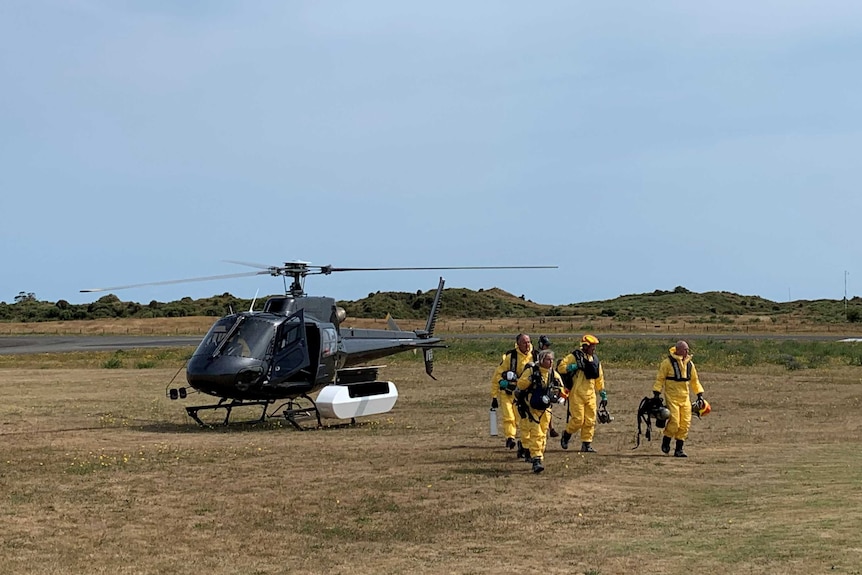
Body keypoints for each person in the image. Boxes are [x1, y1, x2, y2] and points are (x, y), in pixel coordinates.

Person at [652, 340, 705, 458]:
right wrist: (656, 392)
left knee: (685, 423)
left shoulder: (690, 364)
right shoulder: (667, 363)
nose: (687, 352)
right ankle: (666, 441)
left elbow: (695, 381)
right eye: (684, 350)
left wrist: (699, 394)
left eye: (688, 350)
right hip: (672, 397)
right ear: (678, 350)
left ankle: (679, 449)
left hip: (685, 397)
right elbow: (660, 378)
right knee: (674, 422)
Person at [515, 349, 564, 473]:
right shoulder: (531, 371)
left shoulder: (553, 374)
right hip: (531, 408)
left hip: (545, 409)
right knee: (536, 433)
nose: (551, 362)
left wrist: (560, 397)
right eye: (548, 359)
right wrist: (530, 379)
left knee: (543, 433)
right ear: (541, 360)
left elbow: (562, 389)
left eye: (552, 359)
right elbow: (520, 385)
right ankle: (536, 459)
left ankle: (537, 454)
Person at [556, 334, 607, 453]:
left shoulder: (595, 360)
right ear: (585, 346)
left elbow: (599, 378)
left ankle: (586, 444)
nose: (594, 349)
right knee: (578, 420)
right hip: (576, 394)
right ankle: (566, 434)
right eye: (592, 346)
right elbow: (561, 368)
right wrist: (573, 367)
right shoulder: (574, 356)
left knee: (590, 420)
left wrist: (603, 393)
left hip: (590, 395)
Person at [490, 333, 536, 455]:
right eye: (524, 342)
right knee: (509, 416)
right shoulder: (511, 357)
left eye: (528, 342)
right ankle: (510, 438)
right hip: (508, 393)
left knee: (521, 420)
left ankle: (523, 442)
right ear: (518, 344)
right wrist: (496, 393)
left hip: (524, 394)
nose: (527, 345)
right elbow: (497, 375)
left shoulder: (535, 356)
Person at [536, 335, 560, 439]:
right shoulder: (536, 355)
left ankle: (550, 428)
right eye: (546, 345)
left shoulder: (548, 356)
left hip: (547, 384)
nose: (547, 347)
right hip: (538, 385)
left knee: (548, 408)